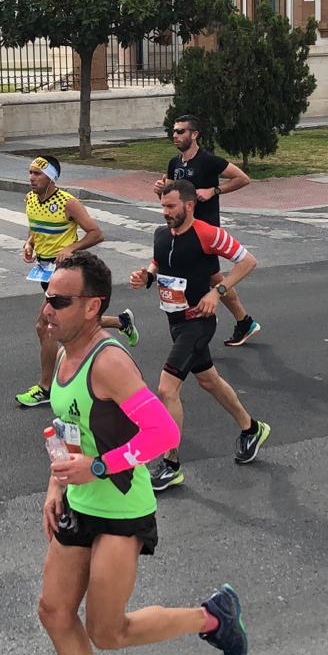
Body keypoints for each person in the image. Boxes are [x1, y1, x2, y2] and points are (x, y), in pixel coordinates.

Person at [38, 250, 249, 655]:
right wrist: (56, 485)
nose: (47, 308)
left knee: (107, 632)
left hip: (120, 509)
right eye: (47, 295)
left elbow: (164, 433)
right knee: (54, 612)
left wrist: (96, 468)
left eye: (60, 301)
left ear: (92, 306)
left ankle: (211, 617)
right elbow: (68, 425)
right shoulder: (65, 354)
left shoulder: (109, 362)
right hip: (79, 502)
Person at [129, 180, 270, 492]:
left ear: (189, 205)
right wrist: (146, 276)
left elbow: (248, 261)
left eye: (171, 207)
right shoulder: (162, 234)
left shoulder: (208, 234)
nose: (164, 212)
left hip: (198, 322)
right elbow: (159, 262)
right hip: (175, 320)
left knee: (167, 389)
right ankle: (252, 428)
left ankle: (171, 464)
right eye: (162, 206)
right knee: (209, 381)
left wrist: (217, 292)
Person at [16, 155, 139, 409]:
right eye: (30, 173)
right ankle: (121, 321)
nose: (31, 178)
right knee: (68, 318)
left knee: (44, 326)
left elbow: (96, 233)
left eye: (37, 174)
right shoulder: (29, 199)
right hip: (44, 269)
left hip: (65, 273)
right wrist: (29, 243)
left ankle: (45, 387)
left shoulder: (67, 203)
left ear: (51, 177)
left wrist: (71, 247)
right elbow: (34, 227)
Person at [152, 115, 259, 347]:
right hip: (183, 230)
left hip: (205, 232)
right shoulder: (174, 163)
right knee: (212, 278)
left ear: (194, 134)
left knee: (213, 280)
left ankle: (219, 324)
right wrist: (159, 190)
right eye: (174, 132)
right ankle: (241, 322)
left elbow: (243, 179)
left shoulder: (209, 161)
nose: (175, 136)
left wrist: (214, 191)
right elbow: (170, 197)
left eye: (181, 131)